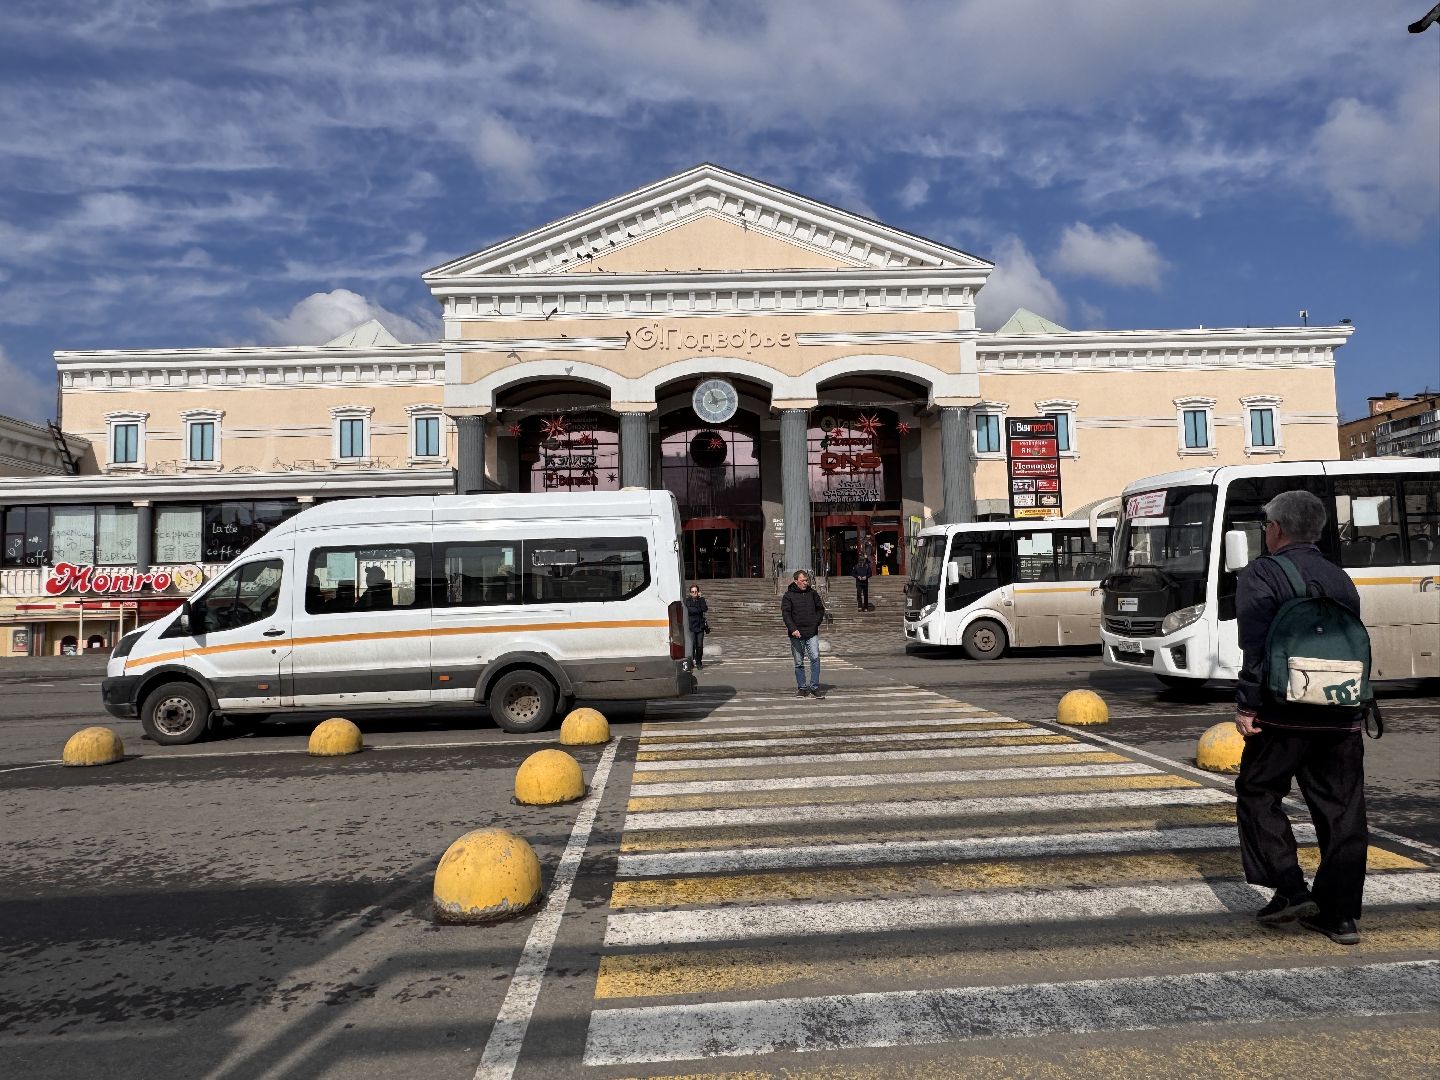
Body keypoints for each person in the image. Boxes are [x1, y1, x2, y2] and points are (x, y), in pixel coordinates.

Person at [1234, 489, 1367, 946]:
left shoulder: (1262, 573)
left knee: (1257, 789)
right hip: (1342, 710)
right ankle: (1341, 915)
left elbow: (1255, 646)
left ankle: (1290, 888)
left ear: (1276, 529)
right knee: (1343, 811)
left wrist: (1247, 705)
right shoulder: (1339, 577)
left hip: (1284, 713)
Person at [781, 569, 826, 698]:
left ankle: (814, 687)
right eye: (803, 580)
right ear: (796, 581)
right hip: (796, 634)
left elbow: (820, 609)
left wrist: (815, 623)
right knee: (799, 662)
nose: (805, 583)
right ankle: (802, 687)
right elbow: (786, 614)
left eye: (806, 580)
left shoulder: (813, 593)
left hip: (811, 632)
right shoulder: (788, 596)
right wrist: (793, 629)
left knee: (815, 659)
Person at [684, 584, 709, 670]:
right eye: (693, 592)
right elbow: (691, 611)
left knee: (699, 645)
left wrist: (700, 599)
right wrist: (699, 609)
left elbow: (705, 608)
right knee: (693, 645)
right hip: (692, 626)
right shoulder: (687, 601)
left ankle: (699, 662)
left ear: (698, 592)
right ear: (690, 593)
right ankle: (692, 661)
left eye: (696, 591)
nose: (694, 593)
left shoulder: (701, 600)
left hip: (700, 626)